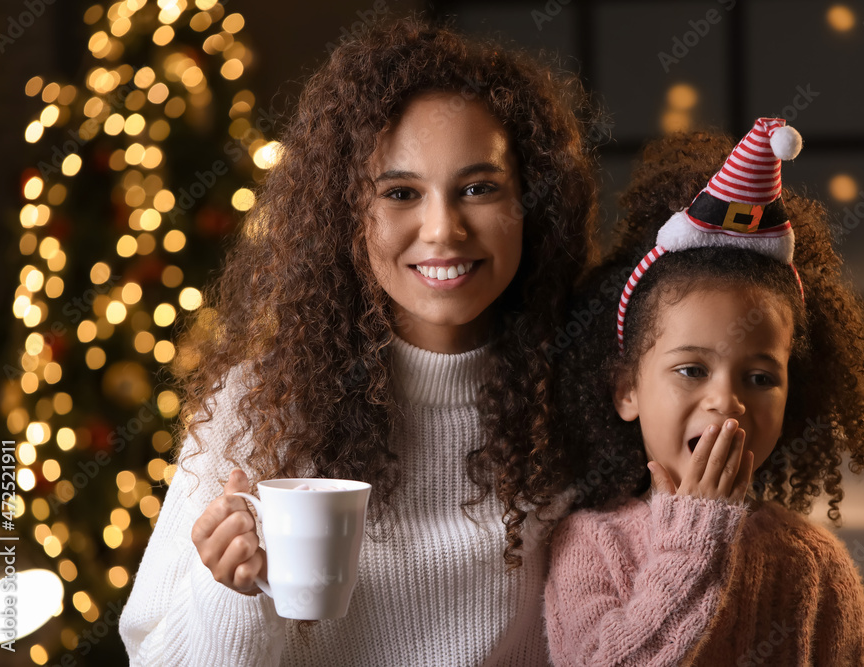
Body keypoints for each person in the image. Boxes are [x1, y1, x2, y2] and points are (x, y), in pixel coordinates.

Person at [119, 15, 601, 666]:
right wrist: (233, 590)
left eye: (479, 188)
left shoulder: (590, 393)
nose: (442, 230)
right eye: (400, 192)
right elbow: (150, 656)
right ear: (350, 214)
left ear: (531, 203)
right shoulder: (263, 403)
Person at [544, 119, 864, 666]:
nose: (726, 402)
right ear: (626, 389)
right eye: (690, 370)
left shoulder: (815, 566)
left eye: (759, 378)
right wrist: (696, 535)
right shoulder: (590, 545)